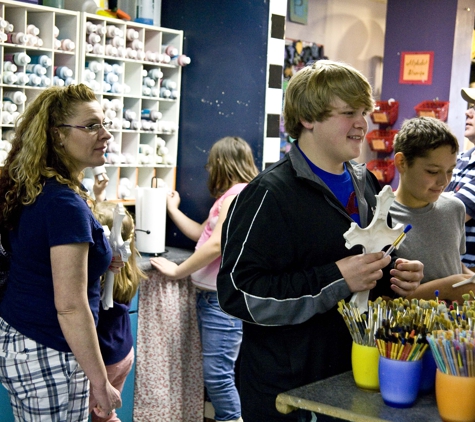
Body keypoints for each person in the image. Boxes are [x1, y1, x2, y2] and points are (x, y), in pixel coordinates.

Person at [216, 60, 424, 422]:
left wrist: (399, 274)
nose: (363, 123)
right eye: (348, 113)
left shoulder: (367, 183)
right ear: (308, 119)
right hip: (290, 395)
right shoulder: (268, 194)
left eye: (365, 111)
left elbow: (378, 259)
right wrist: (335, 278)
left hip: (356, 379)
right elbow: (239, 293)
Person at [0, 84, 123, 421]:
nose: (106, 134)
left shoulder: (45, 188)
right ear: (57, 136)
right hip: (47, 347)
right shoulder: (63, 203)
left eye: (103, 123)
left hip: (30, 340)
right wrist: (101, 382)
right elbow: (70, 306)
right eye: (92, 125)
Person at [150, 136, 259, 422]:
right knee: (217, 373)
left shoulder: (237, 195)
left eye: (212, 164)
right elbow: (203, 234)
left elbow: (216, 245)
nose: (209, 170)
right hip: (211, 299)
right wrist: (173, 209)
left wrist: (177, 270)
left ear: (223, 163)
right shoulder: (231, 197)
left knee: (218, 375)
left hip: (220, 302)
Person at [390, 116, 474, 302]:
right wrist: (446, 288)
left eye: (450, 170)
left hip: (456, 329)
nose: (444, 181)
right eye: (433, 171)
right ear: (402, 163)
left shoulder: (455, 208)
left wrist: (469, 279)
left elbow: (452, 263)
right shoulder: (381, 218)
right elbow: (382, 298)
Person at [89, 201, 147, 422]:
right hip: (123, 355)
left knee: (76, 413)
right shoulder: (129, 271)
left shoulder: (96, 281)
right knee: (104, 414)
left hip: (102, 364)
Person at [445, 88, 475, 268]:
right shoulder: (461, 159)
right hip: (451, 272)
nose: (467, 112)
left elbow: (450, 216)